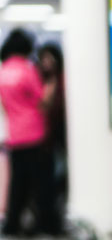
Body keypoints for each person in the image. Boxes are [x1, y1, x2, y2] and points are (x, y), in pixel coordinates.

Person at [0, 29, 61, 238]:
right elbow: (42, 102)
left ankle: (12, 225)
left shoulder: (3, 71)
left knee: (17, 184)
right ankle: (48, 226)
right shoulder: (27, 70)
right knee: (42, 184)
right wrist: (52, 83)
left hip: (14, 135)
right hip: (34, 134)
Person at [37, 42, 67, 205]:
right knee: (49, 173)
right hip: (44, 134)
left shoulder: (64, 80)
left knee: (63, 171)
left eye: (51, 59)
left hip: (62, 131)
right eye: (44, 59)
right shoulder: (39, 80)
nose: (47, 63)